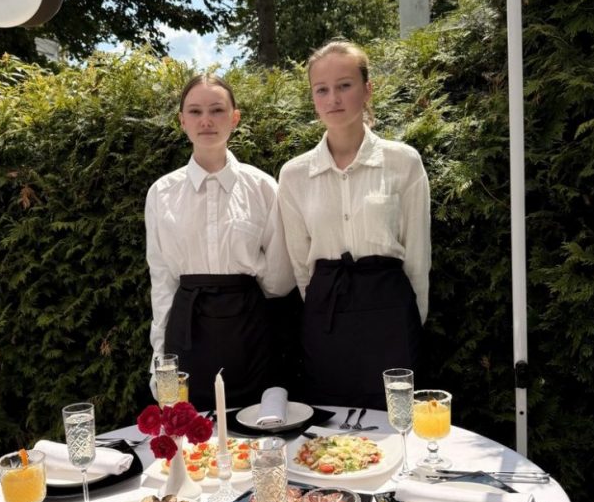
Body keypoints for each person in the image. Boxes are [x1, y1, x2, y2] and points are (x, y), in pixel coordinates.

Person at [277, 39, 430, 408]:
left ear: (367, 90)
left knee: (395, 421)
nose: (334, 98)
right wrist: (321, 306)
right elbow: (301, 265)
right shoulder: (294, 175)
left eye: (344, 85)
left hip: (392, 315)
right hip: (326, 318)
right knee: (328, 425)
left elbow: (417, 256)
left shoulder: (403, 162)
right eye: (322, 89)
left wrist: (410, 320)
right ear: (313, 98)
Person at [145, 75, 296, 411]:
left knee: (258, 427)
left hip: (251, 332)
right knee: (193, 432)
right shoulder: (161, 193)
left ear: (234, 118)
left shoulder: (263, 188)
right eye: (195, 111)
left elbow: (279, 278)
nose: (206, 120)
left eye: (216, 110)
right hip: (187, 331)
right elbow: (163, 282)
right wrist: (160, 361)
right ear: (182, 120)